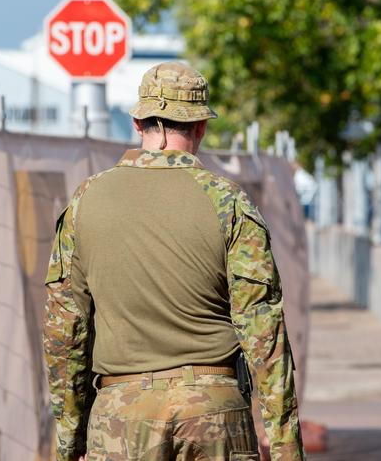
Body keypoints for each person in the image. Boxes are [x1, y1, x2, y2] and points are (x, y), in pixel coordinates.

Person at [43, 62, 304, 461]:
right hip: (214, 413)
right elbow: (265, 334)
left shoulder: (86, 200)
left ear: (137, 122)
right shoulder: (229, 202)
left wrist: (69, 441)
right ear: (200, 126)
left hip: (119, 418)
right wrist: (286, 449)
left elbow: (65, 334)